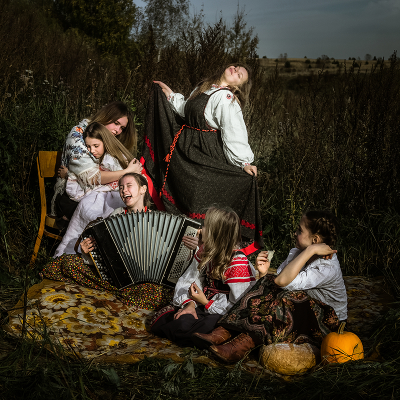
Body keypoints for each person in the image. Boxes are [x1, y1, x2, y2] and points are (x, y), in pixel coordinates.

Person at [192, 210, 347, 363]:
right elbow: (278, 281)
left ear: (315, 240)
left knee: (289, 298)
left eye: (300, 230)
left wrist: (310, 250)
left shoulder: (326, 267)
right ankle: (227, 330)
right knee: (268, 281)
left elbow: (282, 281)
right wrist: (263, 274)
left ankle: (243, 344)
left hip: (327, 322)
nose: (295, 233)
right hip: (306, 309)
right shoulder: (297, 252)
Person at [141, 64, 263, 254]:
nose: (235, 70)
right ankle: (173, 252)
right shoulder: (205, 87)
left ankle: (197, 257)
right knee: (181, 200)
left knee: (197, 206)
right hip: (185, 153)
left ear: (237, 87)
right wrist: (170, 94)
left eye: (240, 75)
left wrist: (244, 162)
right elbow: (184, 110)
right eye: (236, 67)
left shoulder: (226, 98)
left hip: (206, 156)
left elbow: (233, 131)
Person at [42, 173, 195, 310]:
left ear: (143, 189)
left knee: (161, 293)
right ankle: (123, 293)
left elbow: (173, 255)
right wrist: (87, 253)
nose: (123, 190)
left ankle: (124, 293)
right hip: (115, 278)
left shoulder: (160, 220)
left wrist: (191, 248)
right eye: (121, 187)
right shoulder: (116, 215)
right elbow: (103, 254)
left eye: (129, 185)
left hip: (146, 282)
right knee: (67, 263)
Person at [150, 207, 257, 347]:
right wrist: (190, 304)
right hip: (202, 304)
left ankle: (212, 337)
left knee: (206, 326)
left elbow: (239, 307)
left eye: (205, 226)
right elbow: (189, 279)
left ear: (216, 233)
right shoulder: (206, 251)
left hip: (223, 312)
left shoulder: (237, 263)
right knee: (175, 320)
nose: (200, 230)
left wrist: (206, 302)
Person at [53, 123, 141, 257]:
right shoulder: (92, 159)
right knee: (83, 209)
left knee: (92, 211)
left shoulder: (112, 159)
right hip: (99, 195)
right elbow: (87, 178)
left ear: (105, 142)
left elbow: (98, 179)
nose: (92, 150)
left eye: (95, 146)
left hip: (115, 196)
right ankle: (71, 252)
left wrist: (69, 175)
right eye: (88, 146)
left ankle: (93, 252)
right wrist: (70, 175)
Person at [53, 101, 141, 229]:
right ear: (106, 116)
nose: (118, 131)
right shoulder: (79, 134)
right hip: (70, 198)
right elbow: (91, 177)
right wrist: (126, 172)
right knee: (107, 220)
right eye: (116, 123)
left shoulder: (107, 138)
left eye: (122, 128)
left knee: (123, 212)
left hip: (96, 195)